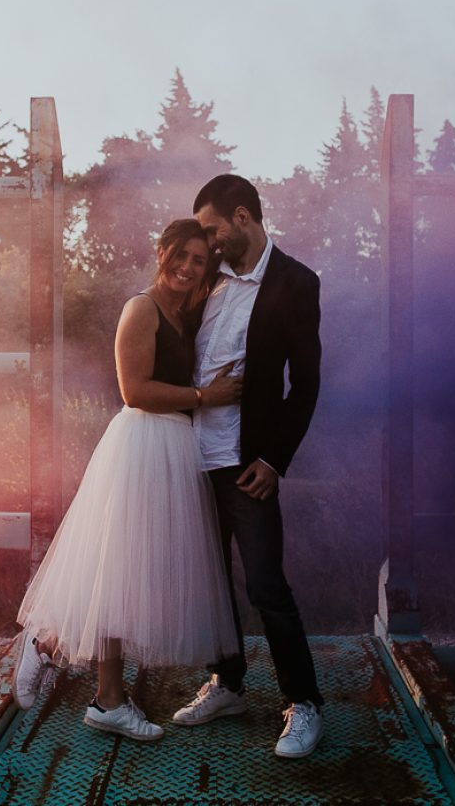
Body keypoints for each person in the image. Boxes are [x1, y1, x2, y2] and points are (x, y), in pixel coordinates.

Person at [12, 219, 241, 741]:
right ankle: (99, 693)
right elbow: (133, 391)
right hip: (142, 445)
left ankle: (56, 652)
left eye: (198, 260)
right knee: (119, 569)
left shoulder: (187, 314)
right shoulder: (141, 308)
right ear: (161, 252)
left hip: (176, 448)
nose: (186, 267)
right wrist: (209, 397)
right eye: (179, 255)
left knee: (138, 573)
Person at [172, 174, 324, 759]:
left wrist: (273, 460)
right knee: (209, 582)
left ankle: (304, 702)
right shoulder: (204, 274)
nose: (206, 244)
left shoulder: (296, 281)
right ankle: (228, 684)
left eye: (213, 230)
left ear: (242, 217)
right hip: (189, 454)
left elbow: (305, 384)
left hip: (246, 463)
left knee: (265, 585)